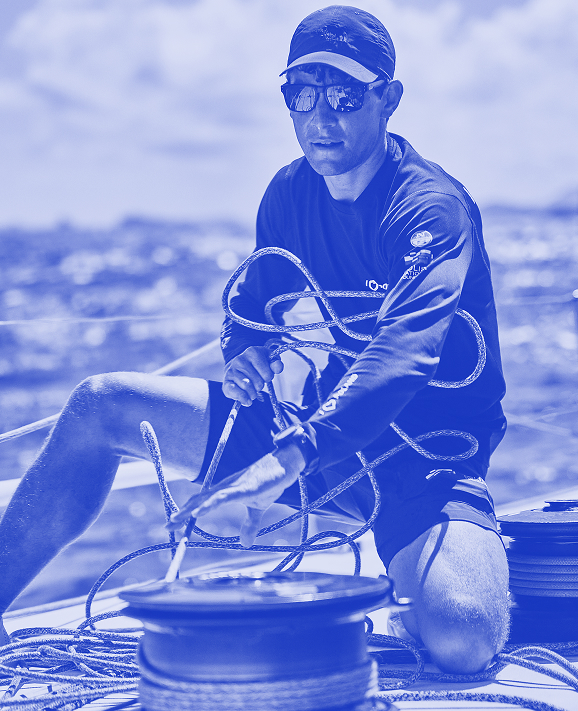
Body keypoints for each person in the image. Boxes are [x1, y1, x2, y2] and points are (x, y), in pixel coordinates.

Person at [0, 5, 509, 672]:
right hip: (312, 443)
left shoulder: (429, 208)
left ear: (388, 100)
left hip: (422, 458)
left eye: (344, 96)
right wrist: (242, 348)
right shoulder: (289, 194)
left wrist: (289, 458)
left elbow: (404, 350)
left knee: (463, 637)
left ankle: (430, 576)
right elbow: (251, 299)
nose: (320, 117)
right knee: (101, 404)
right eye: (301, 94)